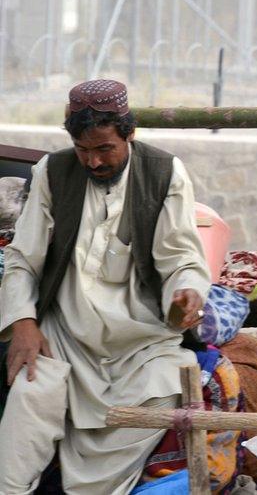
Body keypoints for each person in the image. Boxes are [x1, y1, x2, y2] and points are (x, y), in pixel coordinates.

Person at [0, 79, 212, 494]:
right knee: (29, 398)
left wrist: (186, 293)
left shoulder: (165, 172)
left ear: (129, 134)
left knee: (165, 385)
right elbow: (23, 258)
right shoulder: (53, 171)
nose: (93, 162)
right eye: (83, 150)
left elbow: (181, 259)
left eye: (104, 150)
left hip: (140, 342)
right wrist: (23, 322)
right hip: (64, 334)